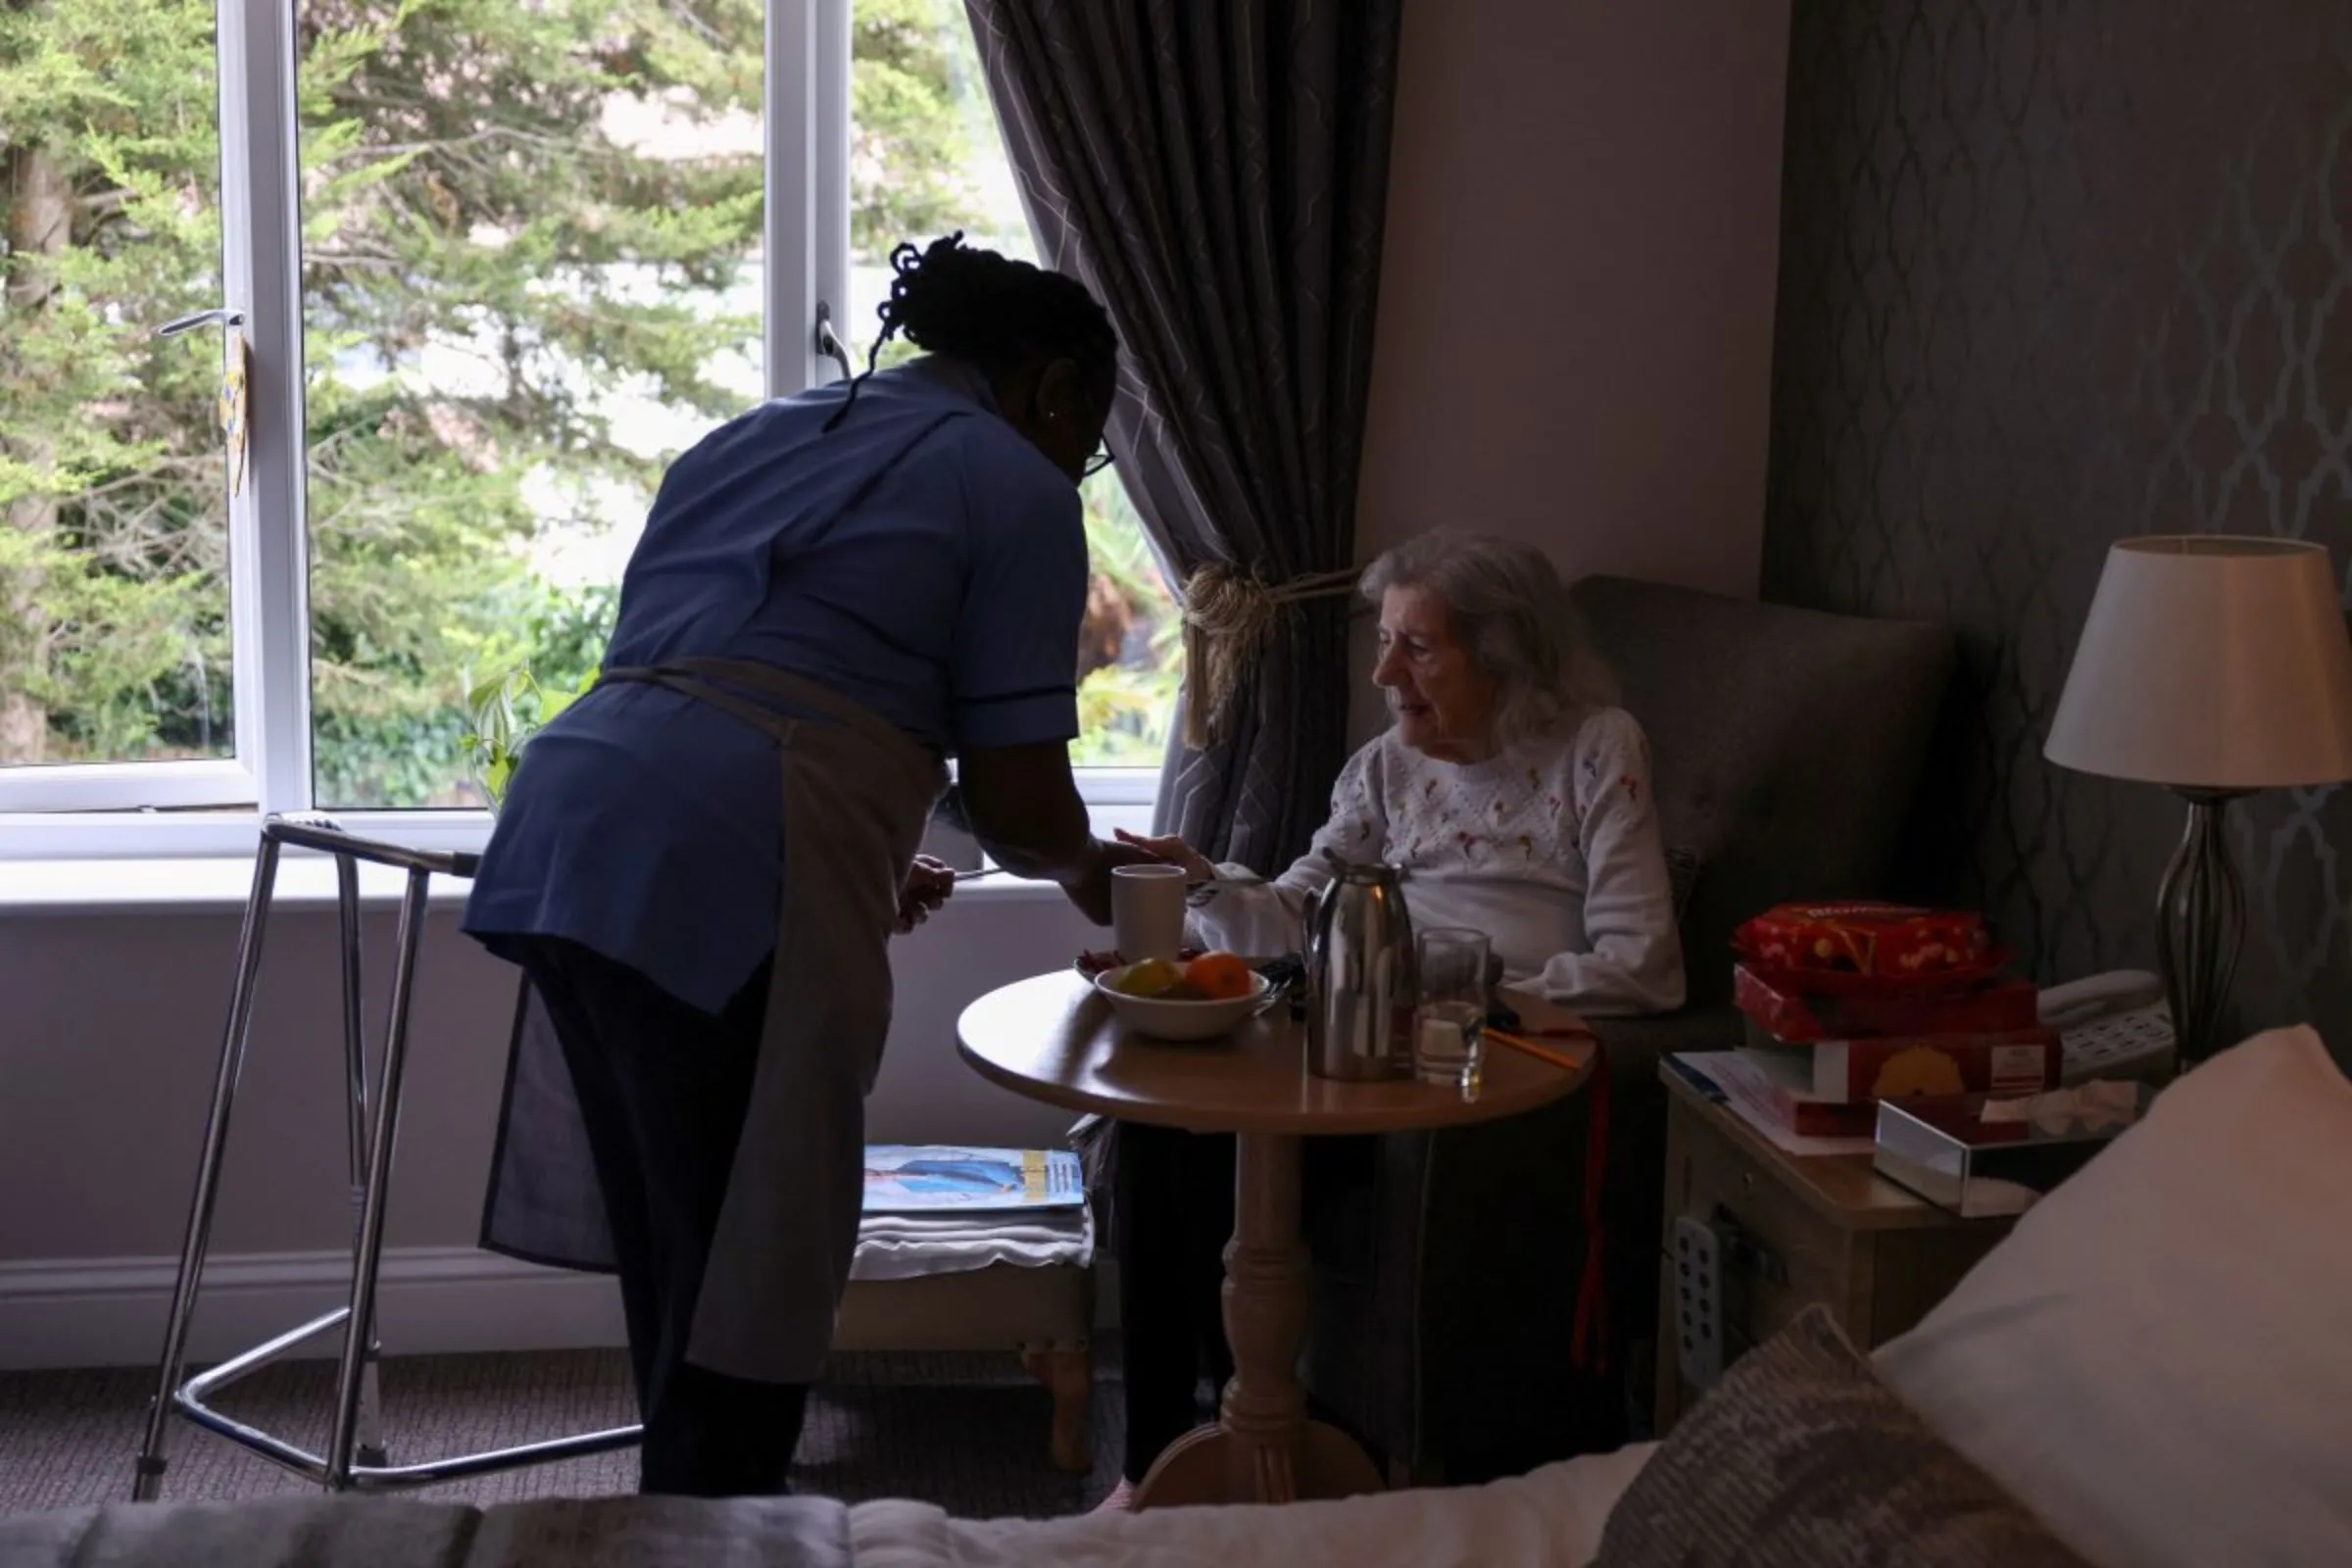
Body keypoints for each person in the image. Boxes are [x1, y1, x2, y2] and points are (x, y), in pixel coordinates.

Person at [463, 233, 1157, 1498]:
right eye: (1090, 434)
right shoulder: (1011, 479)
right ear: (1056, 388)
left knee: (680, 1239)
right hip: (730, 837)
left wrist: (854, 853)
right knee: (756, 1247)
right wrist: (1107, 884)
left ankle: (682, 1510)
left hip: (574, 817)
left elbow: (745, 673)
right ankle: (719, 1521)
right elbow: (1016, 797)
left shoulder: (754, 435)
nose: (1079, 462)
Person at [1099, 530, 1687, 1508]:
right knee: (1160, 1127)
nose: (1384, 672)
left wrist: (1469, 996)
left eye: (1418, 648)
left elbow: (1645, 968)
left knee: (1233, 1147)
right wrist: (1203, 881)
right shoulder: (1385, 767)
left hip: (1478, 1056)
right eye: (1387, 642)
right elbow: (1297, 906)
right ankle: (1159, 1461)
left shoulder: (1597, 748)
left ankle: (1277, 1449)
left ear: (1502, 656)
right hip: (1353, 1025)